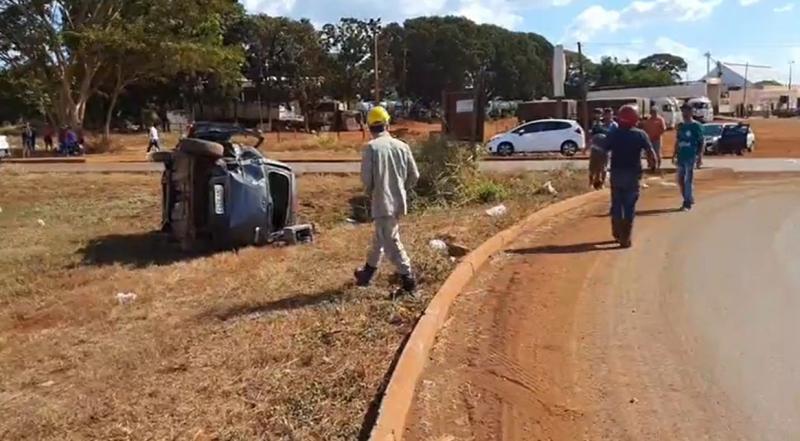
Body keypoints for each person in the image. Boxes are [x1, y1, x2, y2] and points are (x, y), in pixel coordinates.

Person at [354, 106, 420, 293]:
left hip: (382, 203)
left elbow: (367, 180)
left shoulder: (370, 148)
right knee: (380, 237)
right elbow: (414, 175)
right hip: (398, 202)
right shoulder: (402, 146)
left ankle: (408, 280)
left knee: (390, 241)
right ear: (387, 124)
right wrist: (400, 190)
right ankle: (367, 272)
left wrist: (371, 193)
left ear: (369, 127)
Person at [600, 105, 657, 248]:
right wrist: (653, 166)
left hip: (617, 175)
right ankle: (626, 237)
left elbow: (603, 151)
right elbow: (650, 153)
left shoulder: (614, 134)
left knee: (617, 205)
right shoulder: (640, 134)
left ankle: (618, 232)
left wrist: (600, 171)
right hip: (633, 176)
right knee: (629, 207)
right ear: (635, 118)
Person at [672, 104, 704, 211]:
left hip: (691, 155)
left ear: (691, 112)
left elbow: (701, 142)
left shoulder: (696, 126)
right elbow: (678, 141)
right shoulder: (681, 126)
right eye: (683, 112)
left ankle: (687, 203)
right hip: (681, 155)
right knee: (680, 180)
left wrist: (700, 157)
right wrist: (674, 154)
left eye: (686, 111)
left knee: (688, 179)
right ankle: (688, 197)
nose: (684, 114)